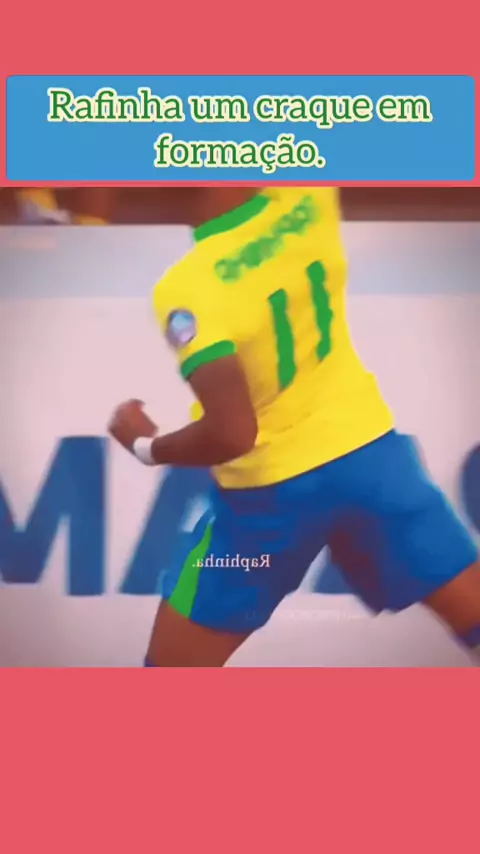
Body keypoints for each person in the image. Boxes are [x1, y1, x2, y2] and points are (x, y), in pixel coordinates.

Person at [108, 187, 480, 667]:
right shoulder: (308, 197)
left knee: (170, 674)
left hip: (269, 503)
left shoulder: (186, 289)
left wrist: (145, 445)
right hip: (372, 461)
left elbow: (232, 434)